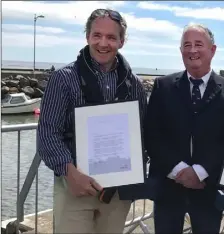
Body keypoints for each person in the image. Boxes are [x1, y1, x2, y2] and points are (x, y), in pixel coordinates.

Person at [36, 9, 147, 233]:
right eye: (97, 35)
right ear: (87, 37)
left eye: (111, 37)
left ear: (121, 42)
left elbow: (141, 133)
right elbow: (48, 133)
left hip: (117, 192)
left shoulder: (133, 84)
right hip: (75, 185)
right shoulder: (63, 79)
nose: (103, 43)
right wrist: (70, 173)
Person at [143, 23, 224, 233]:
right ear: (181, 51)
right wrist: (180, 170)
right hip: (168, 186)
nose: (192, 50)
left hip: (209, 187)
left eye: (199, 44)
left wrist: (199, 172)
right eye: (186, 45)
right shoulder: (163, 86)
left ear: (213, 50)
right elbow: (152, 135)